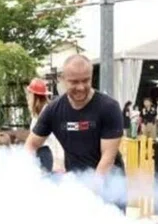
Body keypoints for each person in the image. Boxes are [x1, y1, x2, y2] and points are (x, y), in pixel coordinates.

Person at [24, 55, 125, 206]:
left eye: (86, 80)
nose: (81, 87)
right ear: (63, 80)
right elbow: (31, 145)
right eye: (74, 82)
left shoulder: (109, 107)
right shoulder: (53, 110)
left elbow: (108, 158)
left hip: (109, 184)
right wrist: (29, 173)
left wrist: (92, 191)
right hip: (76, 182)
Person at [26, 78, 64, 173]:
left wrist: (58, 162)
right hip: (42, 154)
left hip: (47, 155)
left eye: (29, 94)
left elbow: (55, 139)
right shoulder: (38, 114)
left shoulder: (47, 113)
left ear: (34, 96)